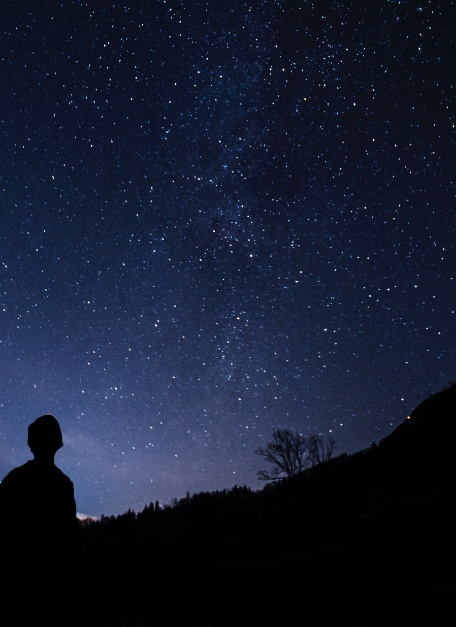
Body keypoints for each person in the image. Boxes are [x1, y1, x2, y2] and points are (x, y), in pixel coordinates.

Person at [0, 414, 82, 623]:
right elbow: (70, 540)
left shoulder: (15, 479)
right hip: (45, 582)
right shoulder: (63, 484)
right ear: (57, 443)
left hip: (21, 580)